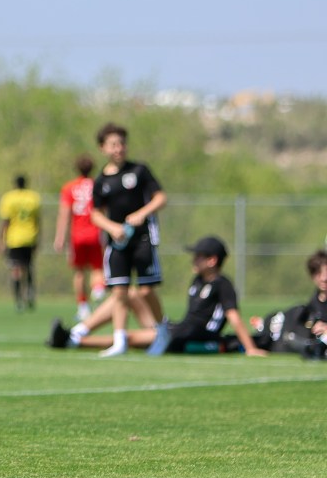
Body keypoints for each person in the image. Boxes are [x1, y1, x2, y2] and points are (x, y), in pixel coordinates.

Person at [50, 236, 266, 357]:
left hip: (196, 336)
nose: (194, 260)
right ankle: (79, 331)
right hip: (180, 328)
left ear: (212, 261)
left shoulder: (223, 284)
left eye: (198, 256)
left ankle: (72, 342)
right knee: (128, 293)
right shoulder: (198, 281)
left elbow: (234, 317)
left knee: (131, 337)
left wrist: (250, 348)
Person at [91, 122, 168, 357]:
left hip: (143, 239)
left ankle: (163, 330)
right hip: (118, 243)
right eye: (113, 144)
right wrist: (112, 228)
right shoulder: (101, 181)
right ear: (103, 148)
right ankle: (119, 340)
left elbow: (160, 198)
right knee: (119, 292)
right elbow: (95, 214)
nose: (119, 149)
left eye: (122, 143)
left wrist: (141, 214)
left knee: (145, 290)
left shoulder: (139, 171)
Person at [54, 154, 106, 321]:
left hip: (77, 236)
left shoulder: (69, 187)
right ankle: (98, 290)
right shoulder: (98, 185)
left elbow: (65, 214)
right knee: (98, 268)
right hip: (96, 233)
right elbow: (104, 210)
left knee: (79, 272)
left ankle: (83, 306)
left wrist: (60, 237)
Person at [0, 175, 41, 311]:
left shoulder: (9, 198)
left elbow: (5, 221)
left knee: (16, 269)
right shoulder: (33, 197)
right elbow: (37, 220)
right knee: (28, 266)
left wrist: (0, 240)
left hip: (14, 238)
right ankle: (29, 292)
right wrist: (38, 237)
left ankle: (18, 299)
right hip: (30, 236)